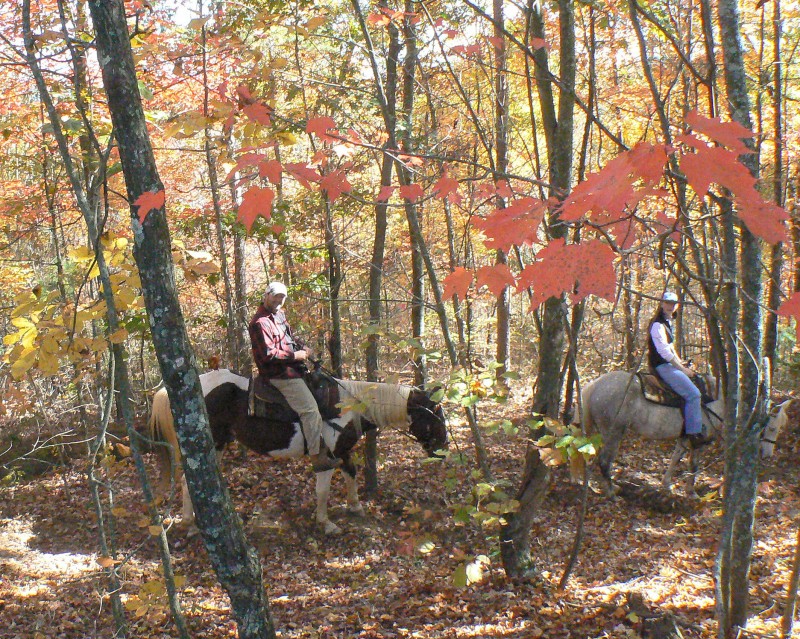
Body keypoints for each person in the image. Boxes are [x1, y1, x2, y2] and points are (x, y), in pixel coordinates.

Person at [249, 281, 341, 472]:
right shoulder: (260, 323)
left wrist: (303, 347)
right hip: (279, 374)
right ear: (266, 296)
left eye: (282, 298)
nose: (278, 301)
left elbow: (289, 338)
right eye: (276, 297)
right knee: (310, 411)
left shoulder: (279, 315)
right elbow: (268, 354)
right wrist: (294, 355)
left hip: (293, 369)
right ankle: (317, 457)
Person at [647, 291, 710, 448]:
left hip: (668, 363)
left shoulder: (667, 323)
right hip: (662, 366)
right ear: (661, 304)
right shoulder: (657, 325)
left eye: (673, 304)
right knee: (694, 394)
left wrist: (681, 362)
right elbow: (664, 352)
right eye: (667, 303)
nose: (670, 306)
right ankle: (693, 434)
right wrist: (682, 369)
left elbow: (670, 348)